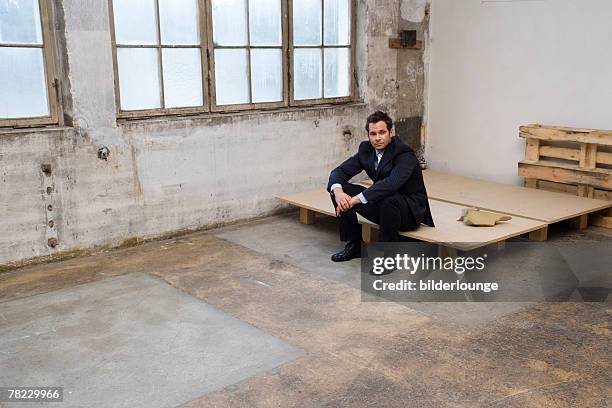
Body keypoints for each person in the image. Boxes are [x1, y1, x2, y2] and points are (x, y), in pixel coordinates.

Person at [327, 110, 435, 263]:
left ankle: (389, 257)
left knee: (388, 197)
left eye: (382, 132)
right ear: (368, 135)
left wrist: (355, 200)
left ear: (391, 132)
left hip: (408, 212)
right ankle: (355, 245)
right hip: (383, 206)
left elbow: (391, 184)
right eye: (373, 133)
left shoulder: (404, 154)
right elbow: (339, 171)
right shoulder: (366, 150)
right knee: (339, 189)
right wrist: (338, 192)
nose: (377, 138)